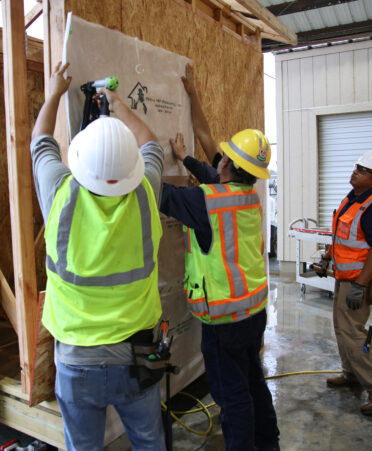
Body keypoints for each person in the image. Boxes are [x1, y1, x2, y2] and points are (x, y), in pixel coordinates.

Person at [31, 62, 166, 451]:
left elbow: (41, 140)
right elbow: (151, 144)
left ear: (78, 160)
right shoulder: (146, 193)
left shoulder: (59, 191)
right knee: (148, 443)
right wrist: (116, 101)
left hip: (76, 361)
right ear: (132, 169)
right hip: (137, 356)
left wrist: (55, 90)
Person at [160, 64, 280, 451]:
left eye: (221, 157)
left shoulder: (205, 202)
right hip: (253, 312)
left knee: (232, 400)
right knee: (253, 383)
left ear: (226, 165)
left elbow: (154, 190)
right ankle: (270, 443)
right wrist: (193, 95)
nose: (219, 158)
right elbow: (208, 142)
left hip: (224, 322)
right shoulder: (246, 196)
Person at [317, 151, 372, 416]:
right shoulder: (352, 200)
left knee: (353, 333)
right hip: (343, 277)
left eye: (362, 170)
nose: (355, 172)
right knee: (341, 329)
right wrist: (327, 258)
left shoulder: (371, 207)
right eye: (356, 167)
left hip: (358, 282)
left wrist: (361, 284)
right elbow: (341, 235)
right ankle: (350, 374)